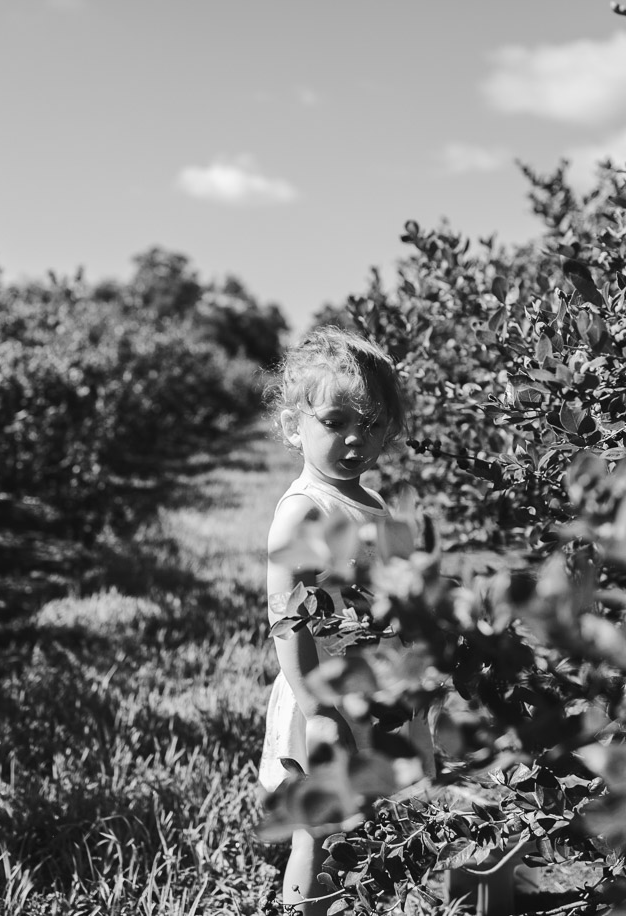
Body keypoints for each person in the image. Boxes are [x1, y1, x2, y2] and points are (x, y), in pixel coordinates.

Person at [259, 326, 432, 914]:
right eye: (336, 422)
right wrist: (316, 711)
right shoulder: (305, 510)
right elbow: (288, 618)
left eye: (373, 422)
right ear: (293, 426)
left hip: (374, 692)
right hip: (328, 699)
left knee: (375, 816)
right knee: (322, 826)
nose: (357, 438)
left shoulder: (371, 501)